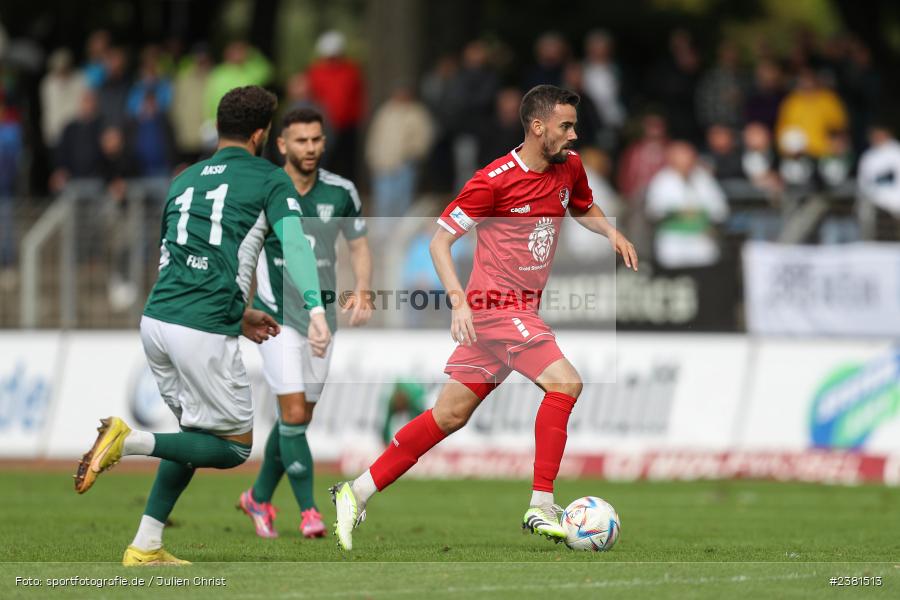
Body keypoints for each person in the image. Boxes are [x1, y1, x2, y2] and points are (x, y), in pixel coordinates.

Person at [329, 85, 638, 551]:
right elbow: (438, 242)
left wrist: (611, 231)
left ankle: (356, 491)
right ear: (538, 128)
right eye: (566, 126)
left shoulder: (568, 167)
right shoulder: (493, 180)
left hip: (515, 312)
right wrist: (458, 301)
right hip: (494, 308)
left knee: (449, 415)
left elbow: (581, 205)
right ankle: (541, 503)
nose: (574, 135)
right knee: (565, 384)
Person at [72, 86, 331, 566]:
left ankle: (146, 544)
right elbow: (296, 246)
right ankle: (127, 441)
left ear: (220, 128)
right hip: (202, 328)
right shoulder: (271, 180)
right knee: (232, 448)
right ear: (261, 134)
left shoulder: (182, 179)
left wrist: (237, 315)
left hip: (158, 320)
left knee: (194, 432)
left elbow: (177, 257)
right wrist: (315, 312)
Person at [238, 107, 372, 539]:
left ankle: (258, 497)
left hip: (322, 318)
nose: (310, 148)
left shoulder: (341, 191)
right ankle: (310, 511)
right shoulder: (264, 189)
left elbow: (358, 245)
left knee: (296, 420)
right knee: (293, 412)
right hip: (276, 316)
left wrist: (364, 288)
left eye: (316, 140)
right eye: (300, 141)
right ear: (281, 145)